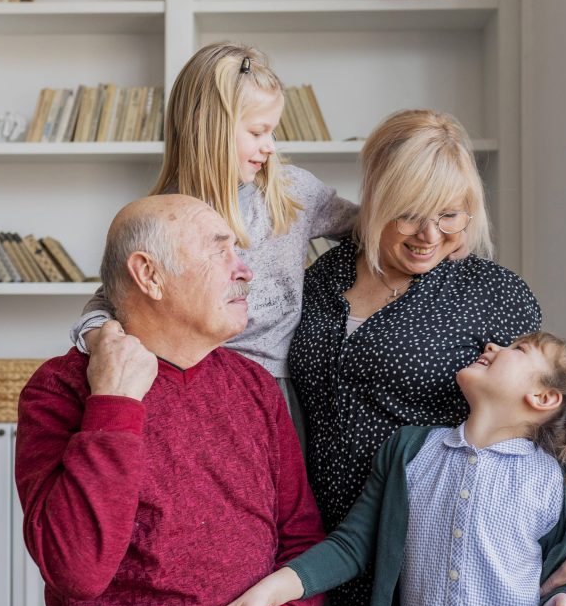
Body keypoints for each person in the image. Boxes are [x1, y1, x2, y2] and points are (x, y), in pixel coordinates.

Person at [286, 108, 566, 606]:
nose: (429, 235)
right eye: (409, 212)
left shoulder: (491, 294)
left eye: (450, 214)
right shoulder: (320, 277)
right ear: (375, 199)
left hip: (413, 560)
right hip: (307, 540)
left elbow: (553, 420)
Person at [15, 194, 387, 606]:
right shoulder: (64, 389)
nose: (245, 269)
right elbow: (78, 569)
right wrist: (115, 403)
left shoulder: (254, 388)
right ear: (149, 274)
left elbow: (301, 540)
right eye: (220, 251)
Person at [202, 332, 566, 606]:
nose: (493, 345)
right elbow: (350, 546)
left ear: (542, 398)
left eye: (519, 348)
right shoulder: (410, 452)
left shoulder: (550, 480)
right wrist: (269, 591)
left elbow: (558, 581)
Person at [70, 41, 358, 442]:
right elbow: (107, 302)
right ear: (208, 124)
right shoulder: (166, 214)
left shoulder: (293, 193)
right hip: (190, 387)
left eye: (273, 131)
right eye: (258, 131)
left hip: (276, 389)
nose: (270, 145)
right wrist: (101, 340)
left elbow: (368, 231)